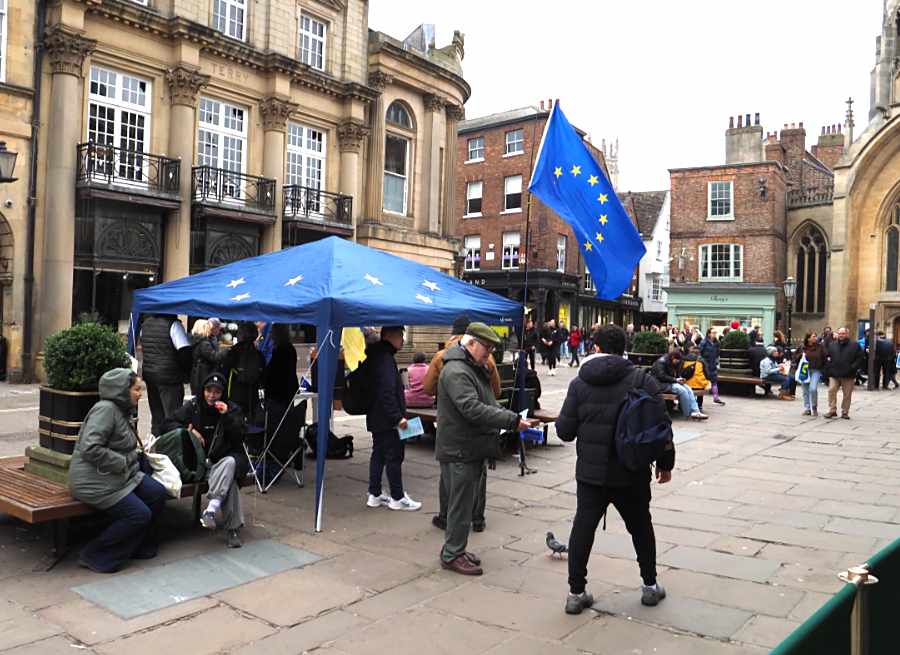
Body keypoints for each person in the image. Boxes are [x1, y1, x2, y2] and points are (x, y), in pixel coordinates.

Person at [556, 325, 675, 614]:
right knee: (641, 528)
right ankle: (649, 586)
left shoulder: (579, 383)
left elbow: (564, 431)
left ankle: (576, 593)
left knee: (583, 529)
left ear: (595, 347)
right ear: (624, 348)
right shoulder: (641, 380)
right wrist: (665, 463)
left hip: (591, 474)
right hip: (631, 471)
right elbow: (662, 426)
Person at [436, 323, 534, 575]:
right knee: (459, 505)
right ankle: (452, 554)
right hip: (461, 448)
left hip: (469, 446)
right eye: (486, 347)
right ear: (470, 344)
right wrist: (511, 421)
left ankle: (456, 548)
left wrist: (510, 417)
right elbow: (471, 408)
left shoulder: (471, 367)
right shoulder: (458, 371)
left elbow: (487, 401)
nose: (488, 353)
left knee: (464, 503)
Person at [69, 369, 168, 572]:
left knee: (157, 493)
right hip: (94, 480)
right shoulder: (105, 410)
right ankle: (95, 554)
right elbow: (90, 447)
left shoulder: (122, 410)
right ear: (121, 390)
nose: (140, 393)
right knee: (138, 514)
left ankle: (136, 545)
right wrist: (121, 461)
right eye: (136, 389)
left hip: (121, 475)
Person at [424, 315, 501, 532]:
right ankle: (477, 518)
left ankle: (445, 516)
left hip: (450, 422)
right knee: (479, 474)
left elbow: (428, 387)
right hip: (479, 425)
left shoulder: (442, 356)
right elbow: (495, 391)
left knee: (449, 476)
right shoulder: (487, 358)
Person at [162, 372, 247, 548]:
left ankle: (211, 510)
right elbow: (167, 424)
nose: (212, 395)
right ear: (203, 390)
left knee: (230, 465)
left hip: (222, 462)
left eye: (217, 392)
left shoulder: (232, 409)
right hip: (199, 464)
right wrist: (190, 430)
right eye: (209, 390)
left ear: (223, 393)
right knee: (228, 481)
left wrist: (228, 416)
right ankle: (230, 527)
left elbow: (240, 437)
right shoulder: (193, 406)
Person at [365, 326, 421, 511]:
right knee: (394, 457)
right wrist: (398, 418)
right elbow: (387, 392)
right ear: (389, 336)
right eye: (400, 336)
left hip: (375, 415)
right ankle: (397, 498)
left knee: (378, 455)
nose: (403, 341)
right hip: (389, 419)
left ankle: (374, 494)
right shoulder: (386, 359)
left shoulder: (375, 356)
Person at [140, 314, 192, 436]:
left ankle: (157, 445)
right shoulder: (173, 324)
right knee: (173, 418)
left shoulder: (145, 325)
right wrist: (186, 373)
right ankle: (171, 448)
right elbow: (184, 351)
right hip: (169, 377)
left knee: (157, 416)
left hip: (150, 374)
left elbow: (144, 347)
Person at [223, 321, 266, 423]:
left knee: (235, 424)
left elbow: (224, 372)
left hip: (235, 394)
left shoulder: (233, 352)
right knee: (251, 424)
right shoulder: (258, 354)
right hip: (253, 394)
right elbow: (264, 376)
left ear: (241, 334)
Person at [649, 350, 708, 420]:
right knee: (682, 390)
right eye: (677, 360)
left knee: (688, 388)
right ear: (673, 357)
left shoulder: (672, 362)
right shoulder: (661, 362)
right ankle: (688, 413)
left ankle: (696, 411)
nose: (678, 362)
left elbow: (674, 374)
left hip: (669, 382)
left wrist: (679, 379)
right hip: (660, 384)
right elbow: (661, 376)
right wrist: (675, 380)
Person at [824, 327, 864, 419]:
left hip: (848, 374)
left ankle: (845, 411)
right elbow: (827, 356)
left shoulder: (855, 345)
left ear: (847, 334)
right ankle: (832, 410)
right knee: (831, 390)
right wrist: (829, 366)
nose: (841, 335)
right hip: (834, 373)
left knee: (847, 394)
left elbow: (860, 358)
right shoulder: (832, 345)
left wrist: (853, 368)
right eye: (839, 333)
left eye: (843, 333)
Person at [264, 324, 299, 408]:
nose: (270, 334)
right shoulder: (288, 347)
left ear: (277, 333)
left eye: (272, 332)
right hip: (287, 389)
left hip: (280, 392)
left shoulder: (281, 349)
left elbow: (275, 371)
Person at [190, 317, 225, 398]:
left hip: (198, 373)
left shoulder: (197, 340)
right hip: (203, 373)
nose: (210, 329)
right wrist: (226, 351)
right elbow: (214, 356)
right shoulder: (204, 343)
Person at [795, 332, 826, 416]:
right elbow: (795, 357)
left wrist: (823, 367)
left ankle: (814, 407)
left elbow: (824, 357)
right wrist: (801, 355)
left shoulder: (820, 347)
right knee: (805, 390)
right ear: (808, 338)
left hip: (816, 370)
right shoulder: (802, 347)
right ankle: (807, 408)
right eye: (813, 336)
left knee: (813, 388)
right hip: (805, 370)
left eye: (815, 336)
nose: (815, 338)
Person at [698, 327, 725, 406]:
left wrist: (716, 361)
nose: (715, 334)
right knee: (702, 384)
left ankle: (716, 398)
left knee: (714, 382)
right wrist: (702, 363)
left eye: (715, 333)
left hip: (713, 365)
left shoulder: (717, 343)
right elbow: (699, 353)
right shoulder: (704, 342)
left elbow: (717, 353)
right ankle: (699, 403)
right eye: (713, 333)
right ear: (709, 334)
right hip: (705, 365)